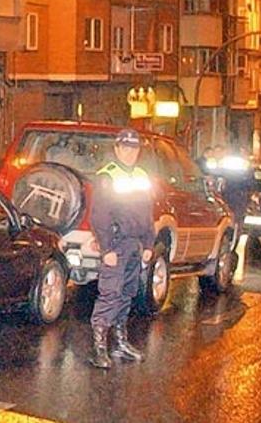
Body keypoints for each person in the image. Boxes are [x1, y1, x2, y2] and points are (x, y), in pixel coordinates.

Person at [88, 129, 155, 369]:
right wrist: (107, 248)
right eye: (125, 148)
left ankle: (120, 342)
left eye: (134, 148)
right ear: (117, 149)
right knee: (110, 294)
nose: (130, 153)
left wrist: (148, 242)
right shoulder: (107, 176)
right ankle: (99, 348)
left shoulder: (141, 175)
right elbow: (100, 215)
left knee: (127, 293)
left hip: (135, 244)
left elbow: (147, 212)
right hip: (116, 244)